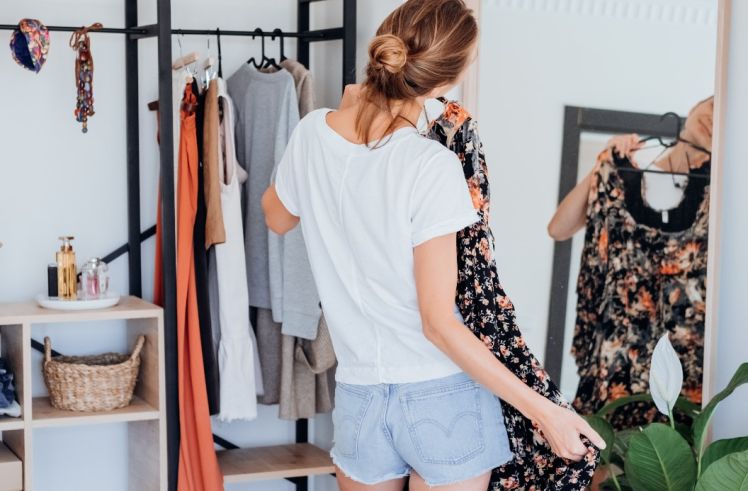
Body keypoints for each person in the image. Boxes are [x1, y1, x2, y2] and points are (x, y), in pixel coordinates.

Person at [262, 1, 604, 490]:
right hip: (442, 397)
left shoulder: (312, 133)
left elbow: (275, 216)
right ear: (445, 84)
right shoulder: (431, 165)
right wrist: (544, 412)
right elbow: (439, 325)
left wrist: (345, 117)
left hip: (360, 397)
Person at [548, 97, 713, 242]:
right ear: (695, 107)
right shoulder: (632, 166)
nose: (714, 119)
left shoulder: (711, 198)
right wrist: (604, 165)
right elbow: (558, 230)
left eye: (723, 118)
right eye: (713, 106)